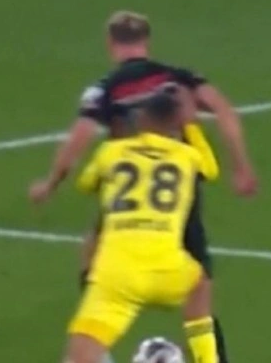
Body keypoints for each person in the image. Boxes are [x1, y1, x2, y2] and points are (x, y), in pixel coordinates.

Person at [31, 10, 257, 363]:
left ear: (110, 42)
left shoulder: (106, 88)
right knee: (199, 288)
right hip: (180, 189)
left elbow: (79, 139)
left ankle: (97, 346)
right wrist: (241, 167)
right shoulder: (178, 79)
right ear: (146, 40)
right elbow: (225, 111)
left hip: (124, 192)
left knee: (92, 256)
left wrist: (51, 182)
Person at [64, 91, 218, 363]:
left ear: (142, 119)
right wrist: (191, 126)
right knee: (200, 285)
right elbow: (211, 170)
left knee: (79, 356)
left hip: (118, 274)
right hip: (167, 268)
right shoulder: (188, 156)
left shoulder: (111, 151)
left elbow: (85, 184)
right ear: (177, 123)